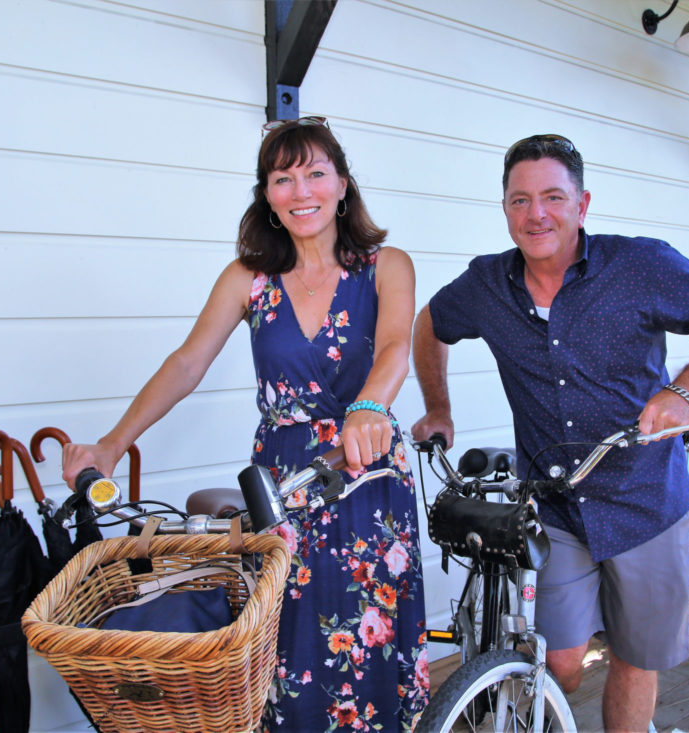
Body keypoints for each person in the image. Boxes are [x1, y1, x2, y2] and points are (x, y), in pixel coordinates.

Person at [62, 117, 429, 731]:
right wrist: (111, 443)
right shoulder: (248, 280)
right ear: (267, 195)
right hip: (281, 484)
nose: (301, 190)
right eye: (282, 178)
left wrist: (370, 407)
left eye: (315, 172)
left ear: (342, 184)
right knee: (282, 654)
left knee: (368, 647)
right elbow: (186, 364)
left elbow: (395, 347)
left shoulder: (386, 265)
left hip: (363, 474)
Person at [411, 134, 689, 732]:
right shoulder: (486, 286)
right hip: (555, 506)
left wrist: (685, 392)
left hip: (646, 499)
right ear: (505, 209)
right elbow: (429, 325)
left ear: (583, 204)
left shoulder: (640, 266)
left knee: (635, 658)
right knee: (561, 663)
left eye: (553, 196)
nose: (536, 213)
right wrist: (438, 408)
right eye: (520, 200)